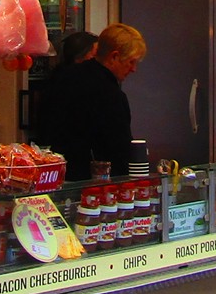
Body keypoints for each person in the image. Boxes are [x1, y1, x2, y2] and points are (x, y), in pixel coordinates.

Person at [51, 23, 146, 180]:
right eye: (131, 62)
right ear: (114, 57)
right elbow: (119, 153)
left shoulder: (64, 77)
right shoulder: (111, 95)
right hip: (92, 185)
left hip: (56, 177)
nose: (134, 69)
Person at [32, 30, 100, 176]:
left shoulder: (58, 78)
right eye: (95, 56)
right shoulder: (73, 83)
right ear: (80, 56)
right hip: (69, 160)